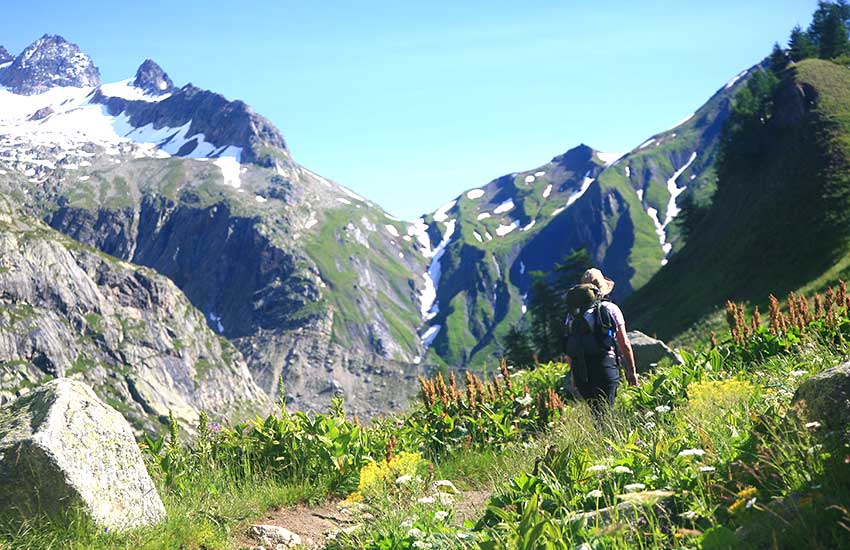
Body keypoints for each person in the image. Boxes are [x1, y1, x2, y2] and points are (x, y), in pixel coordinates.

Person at [564, 268, 638, 412]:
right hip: (605, 367)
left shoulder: (572, 315)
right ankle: (608, 434)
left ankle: (599, 433)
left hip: (581, 373)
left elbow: (569, 346)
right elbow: (625, 344)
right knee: (607, 412)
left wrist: (573, 374)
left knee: (596, 412)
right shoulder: (610, 308)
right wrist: (632, 372)